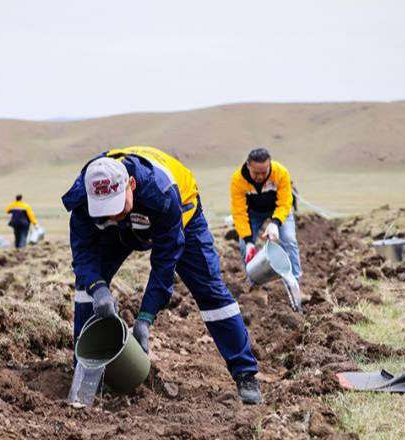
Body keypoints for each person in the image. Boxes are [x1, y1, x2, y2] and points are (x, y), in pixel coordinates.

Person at [62, 146, 262, 404]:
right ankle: (86, 371)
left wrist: (145, 318)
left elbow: (165, 262)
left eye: (117, 206)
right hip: (121, 231)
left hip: (181, 212)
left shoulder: (162, 192)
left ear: (130, 184)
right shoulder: (83, 196)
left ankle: (245, 372)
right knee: (86, 290)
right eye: (104, 210)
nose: (113, 214)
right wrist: (97, 287)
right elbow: (83, 251)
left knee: (210, 290)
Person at [230, 148, 302, 285]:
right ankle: (255, 284)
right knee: (245, 247)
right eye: (256, 173)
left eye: (264, 172)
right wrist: (248, 240)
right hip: (253, 214)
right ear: (248, 165)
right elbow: (239, 213)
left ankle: (294, 283)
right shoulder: (237, 180)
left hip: (279, 210)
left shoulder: (280, 173)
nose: (260, 177)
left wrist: (275, 223)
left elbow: (285, 202)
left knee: (289, 240)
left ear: (269, 165)